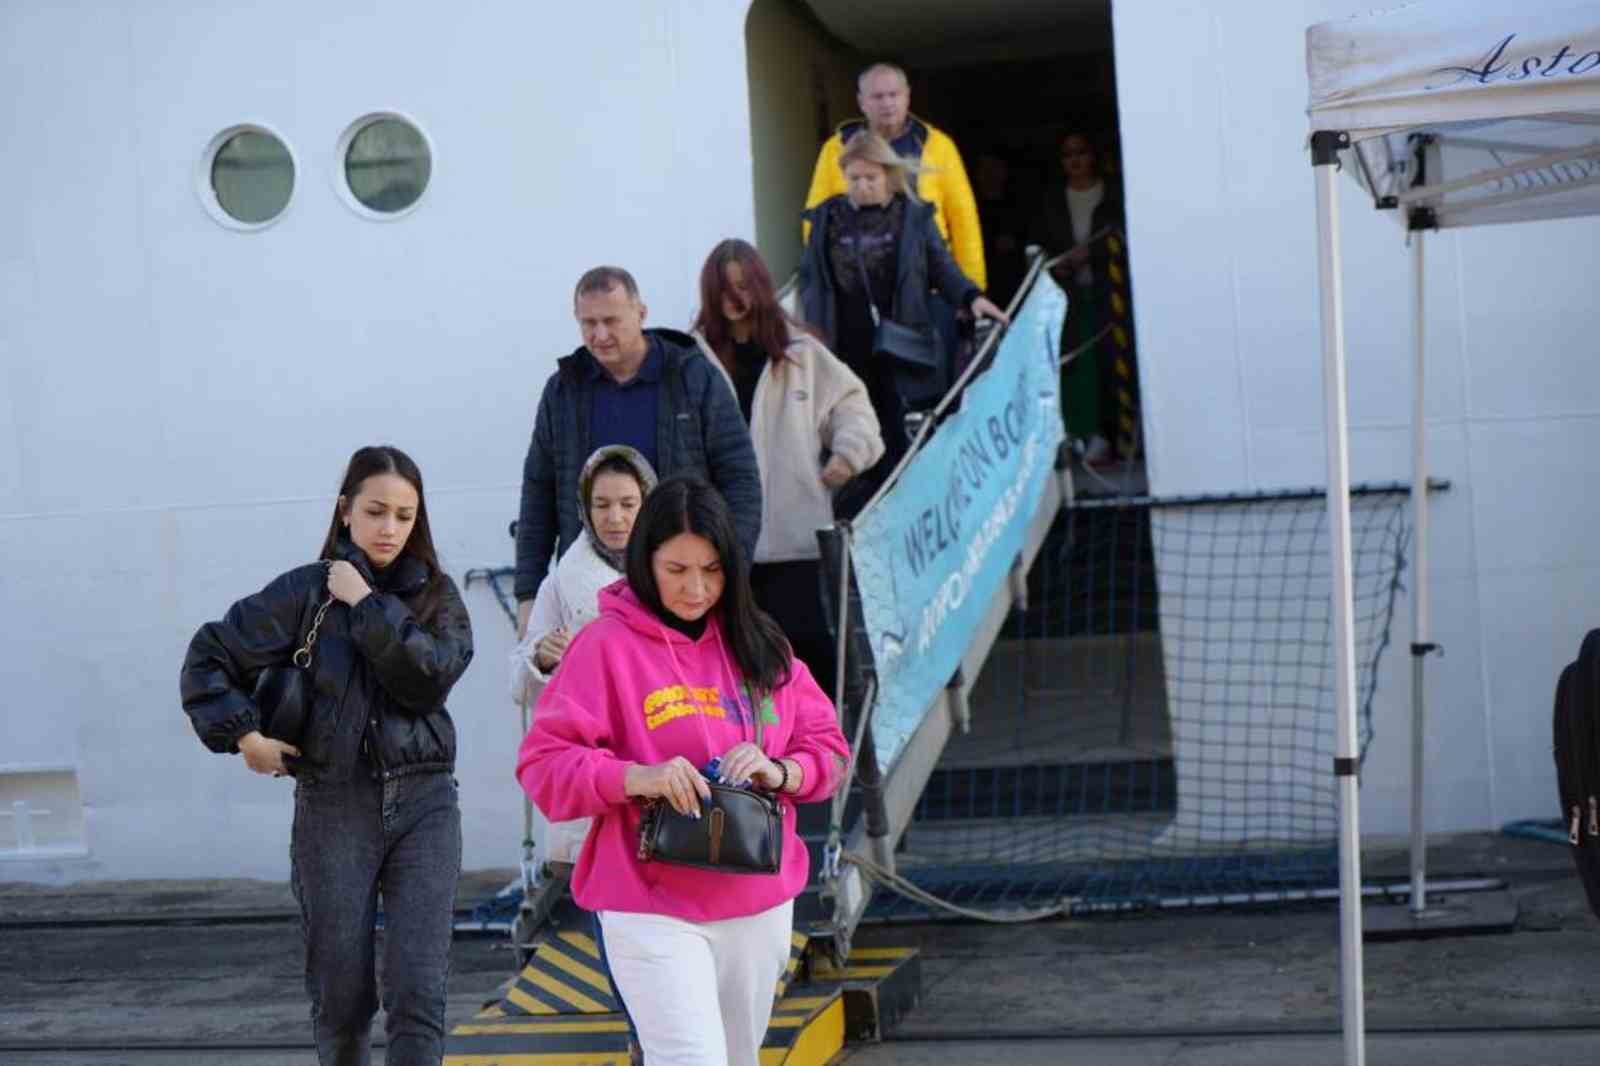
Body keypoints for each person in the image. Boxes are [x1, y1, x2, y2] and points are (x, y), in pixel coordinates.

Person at [515, 477, 850, 1066]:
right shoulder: (603, 646)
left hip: (757, 898)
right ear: (646, 563)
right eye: (677, 570)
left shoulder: (761, 643)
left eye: (713, 570)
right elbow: (543, 765)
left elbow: (828, 747)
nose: (697, 588)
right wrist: (635, 778)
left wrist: (782, 770)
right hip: (647, 902)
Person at [180, 445, 474, 1066]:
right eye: (375, 512)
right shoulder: (304, 592)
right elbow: (210, 656)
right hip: (334, 807)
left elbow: (428, 679)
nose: (389, 528)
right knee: (342, 1001)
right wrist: (245, 738)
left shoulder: (437, 597)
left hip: (425, 806)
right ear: (346, 512)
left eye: (404, 514)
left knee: (418, 994)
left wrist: (366, 604)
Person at [515, 266, 762, 638]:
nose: (599, 335)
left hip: (682, 585)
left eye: (611, 320)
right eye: (588, 323)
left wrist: (728, 572)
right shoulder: (563, 390)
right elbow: (539, 493)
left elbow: (740, 481)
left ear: (641, 313)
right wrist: (528, 594)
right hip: (589, 592)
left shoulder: (694, 378)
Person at [690, 238, 883, 693]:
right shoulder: (693, 362)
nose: (735, 299)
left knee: (808, 654)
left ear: (761, 286)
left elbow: (853, 408)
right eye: (724, 289)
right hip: (721, 543)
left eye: (744, 286)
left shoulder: (802, 355)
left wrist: (846, 455)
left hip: (796, 537)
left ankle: (825, 755)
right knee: (735, 665)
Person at [798, 131, 1009, 514]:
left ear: (889, 176)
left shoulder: (914, 216)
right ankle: (867, 511)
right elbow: (811, 279)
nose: (861, 186)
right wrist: (808, 332)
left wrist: (972, 297)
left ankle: (913, 507)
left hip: (901, 338)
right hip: (845, 341)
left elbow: (942, 267)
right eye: (854, 178)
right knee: (851, 425)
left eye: (871, 178)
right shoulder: (827, 216)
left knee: (900, 430)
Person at [510, 444, 657, 865]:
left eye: (628, 503)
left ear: (648, 501)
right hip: (594, 767)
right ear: (584, 508)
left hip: (663, 753)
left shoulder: (677, 575)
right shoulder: (560, 584)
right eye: (602, 504)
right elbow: (518, 685)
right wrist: (540, 658)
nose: (615, 518)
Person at [804, 62, 987, 290]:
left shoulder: (938, 146)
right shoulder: (837, 148)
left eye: (894, 94)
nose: (887, 103)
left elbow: (964, 221)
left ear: (907, 96)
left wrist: (972, 288)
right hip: (859, 284)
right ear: (862, 102)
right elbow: (816, 221)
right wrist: (824, 282)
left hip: (929, 282)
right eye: (878, 96)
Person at [1034, 130, 1126, 464]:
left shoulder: (1113, 193)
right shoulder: (1052, 200)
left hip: (1110, 292)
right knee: (1077, 368)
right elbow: (1041, 243)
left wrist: (1096, 254)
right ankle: (1085, 435)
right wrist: (1062, 261)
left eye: (1081, 152)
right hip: (1068, 295)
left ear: (1094, 156)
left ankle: (1118, 435)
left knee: (1112, 363)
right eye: (1067, 154)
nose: (1075, 160)